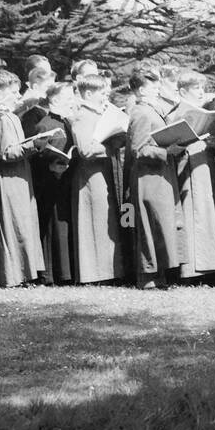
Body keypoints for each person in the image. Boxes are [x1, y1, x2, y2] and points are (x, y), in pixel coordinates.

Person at [0, 71, 47, 287]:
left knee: (23, 223)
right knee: (13, 224)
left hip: (19, 176)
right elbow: (7, 152)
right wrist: (34, 145)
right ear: (0, 93)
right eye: (13, 92)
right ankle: (13, 275)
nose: (17, 96)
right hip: (8, 178)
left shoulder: (8, 115)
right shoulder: (0, 117)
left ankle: (24, 273)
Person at [168, 69, 215, 283]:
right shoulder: (179, 112)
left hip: (205, 163)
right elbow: (172, 143)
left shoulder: (203, 110)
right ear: (183, 91)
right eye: (196, 88)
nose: (201, 92)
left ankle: (211, 265)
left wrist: (214, 142)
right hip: (188, 168)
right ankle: (193, 269)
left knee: (208, 212)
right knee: (194, 213)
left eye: (203, 87)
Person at [68, 72, 127, 284]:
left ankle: (109, 270)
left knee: (106, 221)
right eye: (102, 93)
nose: (105, 96)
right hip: (90, 176)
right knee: (95, 220)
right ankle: (96, 273)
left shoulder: (97, 113)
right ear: (89, 93)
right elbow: (85, 149)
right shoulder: (82, 115)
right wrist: (110, 145)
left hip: (103, 172)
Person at [125, 66, 180, 288]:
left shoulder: (152, 109)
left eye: (158, 85)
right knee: (150, 223)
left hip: (160, 174)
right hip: (148, 176)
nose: (157, 89)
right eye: (152, 86)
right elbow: (138, 149)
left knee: (161, 223)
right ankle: (148, 276)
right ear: (139, 90)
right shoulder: (140, 112)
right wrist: (166, 153)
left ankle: (159, 275)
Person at [28, 81, 75, 285]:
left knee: (64, 226)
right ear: (55, 100)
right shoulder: (44, 124)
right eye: (68, 98)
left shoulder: (67, 122)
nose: (72, 102)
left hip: (65, 179)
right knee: (51, 228)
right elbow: (37, 154)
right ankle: (51, 274)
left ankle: (66, 272)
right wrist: (49, 166)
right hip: (48, 183)